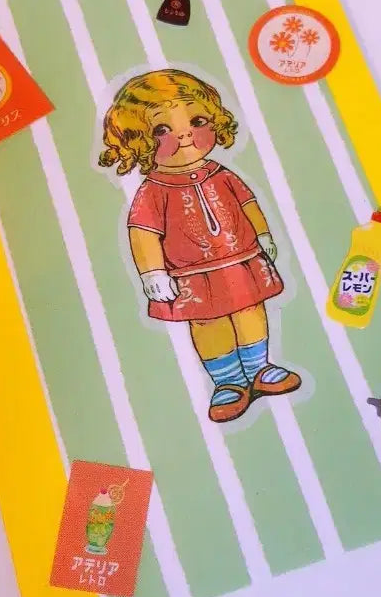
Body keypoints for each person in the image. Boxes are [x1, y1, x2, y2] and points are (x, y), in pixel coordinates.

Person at [99, 68, 300, 422]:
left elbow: (248, 203)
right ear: (138, 140)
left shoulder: (221, 174)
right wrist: (153, 273)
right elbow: (143, 232)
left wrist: (263, 234)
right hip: (191, 275)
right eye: (161, 129)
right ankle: (229, 382)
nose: (184, 134)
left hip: (241, 260)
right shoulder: (152, 191)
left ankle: (258, 368)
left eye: (197, 120)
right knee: (208, 324)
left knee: (251, 310)